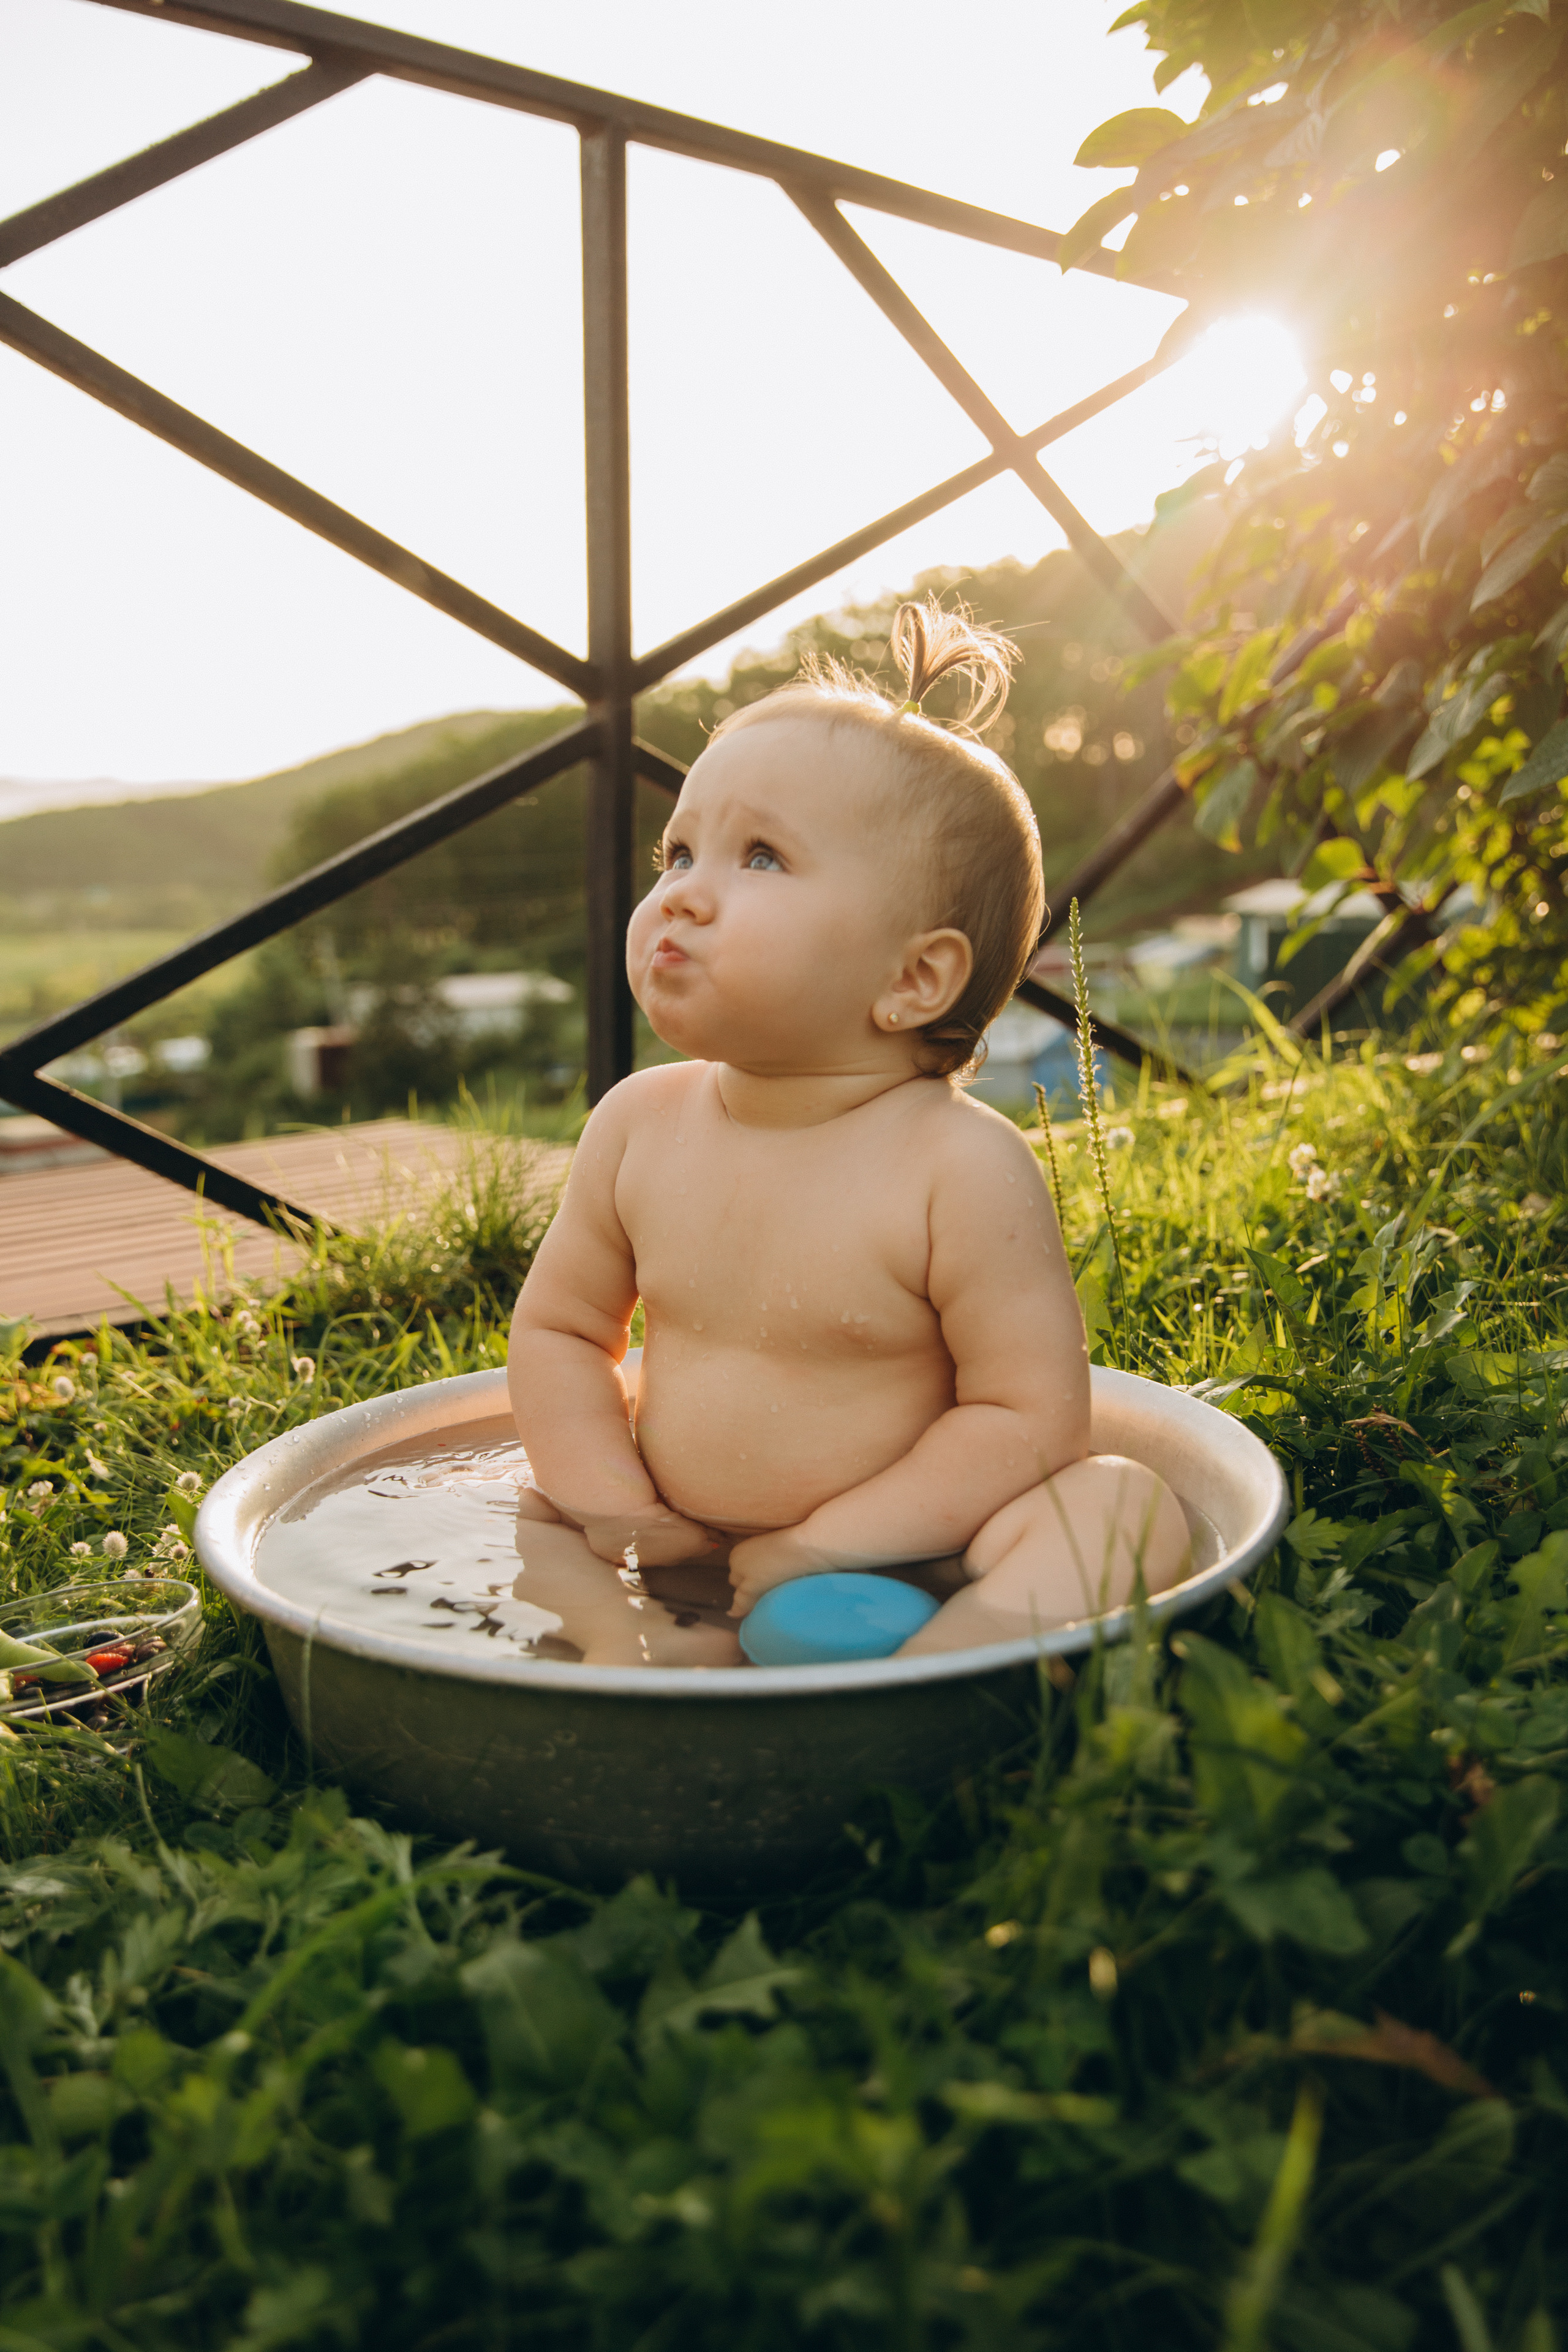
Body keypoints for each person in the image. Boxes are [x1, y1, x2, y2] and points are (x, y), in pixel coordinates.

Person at [506, 598, 1189, 1664]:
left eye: (762, 858)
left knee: (1121, 1508)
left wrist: (830, 1543)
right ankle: (652, 1653)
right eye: (678, 851)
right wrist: (615, 1511)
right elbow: (560, 1336)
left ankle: (952, 1666)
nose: (682, 895)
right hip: (677, 1538)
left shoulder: (957, 1166)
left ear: (914, 978)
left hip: (923, 1548)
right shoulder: (638, 1125)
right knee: (537, 1503)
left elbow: (1030, 1419)